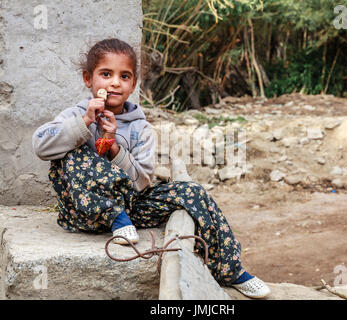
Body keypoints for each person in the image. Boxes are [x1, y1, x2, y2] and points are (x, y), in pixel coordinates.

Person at [32, 38, 270, 299]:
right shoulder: (75, 115)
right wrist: (85, 122)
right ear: (88, 78)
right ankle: (114, 217)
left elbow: (142, 183)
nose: (114, 82)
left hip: (131, 210)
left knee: (193, 192)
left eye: (124, 76)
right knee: (73, 153)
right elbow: (41, 147)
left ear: (133, 85)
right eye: (106, 74)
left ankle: (231, 270)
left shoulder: (139, 128)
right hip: (84, 211)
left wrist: (115, 149)